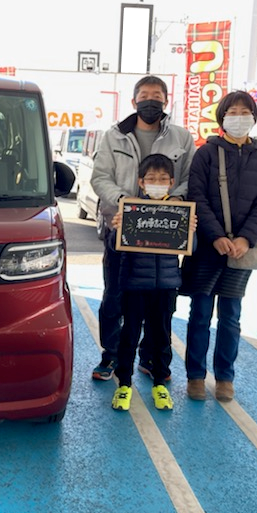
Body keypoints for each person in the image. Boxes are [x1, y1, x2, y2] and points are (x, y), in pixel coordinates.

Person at [90, 75, 197, 382]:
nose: (151, 100)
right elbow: (100, 178)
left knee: (158, 300)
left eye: (157, 96)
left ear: (166, 100)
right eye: (145, 95)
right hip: (121, 229)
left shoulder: (181, 138)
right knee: (114, 296)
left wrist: (176, 199)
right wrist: (123, 202)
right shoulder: (114, 136)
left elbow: (190, 178)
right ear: (134, 100)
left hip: (163, 231)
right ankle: (111, 355)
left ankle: (150, 357)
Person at [179, 90, 257, 402]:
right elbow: (197, 196)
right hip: (209, 248)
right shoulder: (206, 153)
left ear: (254, 118)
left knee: (231, 317)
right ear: (221, 118)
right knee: (200, 314)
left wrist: (246, 238)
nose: (239, 118)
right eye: (232, 112)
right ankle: (195, 376)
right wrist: (216, 236)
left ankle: (225, 378)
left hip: (241, 251)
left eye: (245, 112)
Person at [109, 154, 182, 411]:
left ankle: (160, 383)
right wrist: (117, 228)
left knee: (161, 336)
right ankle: (124, 384)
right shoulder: (132, 210)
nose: (157, 183)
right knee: (129, 334)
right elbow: (114, 246)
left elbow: (191, 247)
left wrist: (190, 231)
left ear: (171, 182)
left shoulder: (179, 213)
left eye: (163, 179)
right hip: (135, 285)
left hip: (166, 285)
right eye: (151, 179)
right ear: (141, 182)